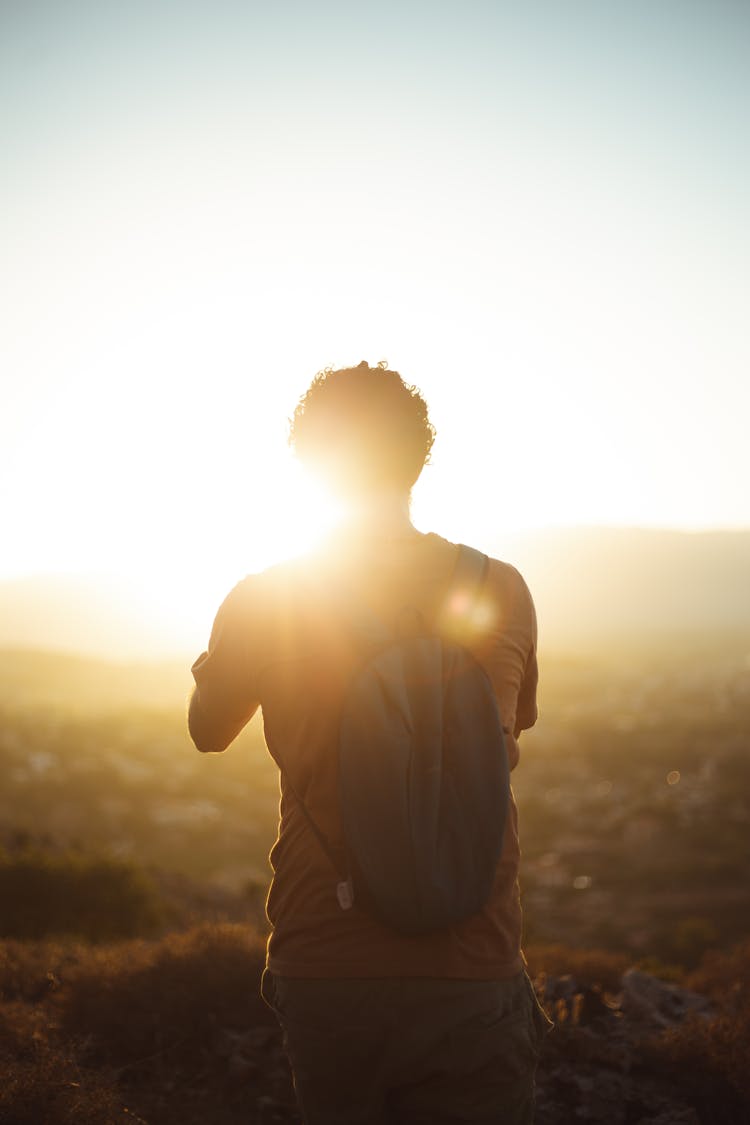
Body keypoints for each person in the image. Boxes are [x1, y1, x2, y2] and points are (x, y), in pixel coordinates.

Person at [188, 360, 550, 1124]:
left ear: (309, 463)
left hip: (328, 954)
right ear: (419, 459)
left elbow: (207, 731)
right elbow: (498, 742)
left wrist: (217, 660)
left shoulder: (267, 598)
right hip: (471, 960)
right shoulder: (499, 589)